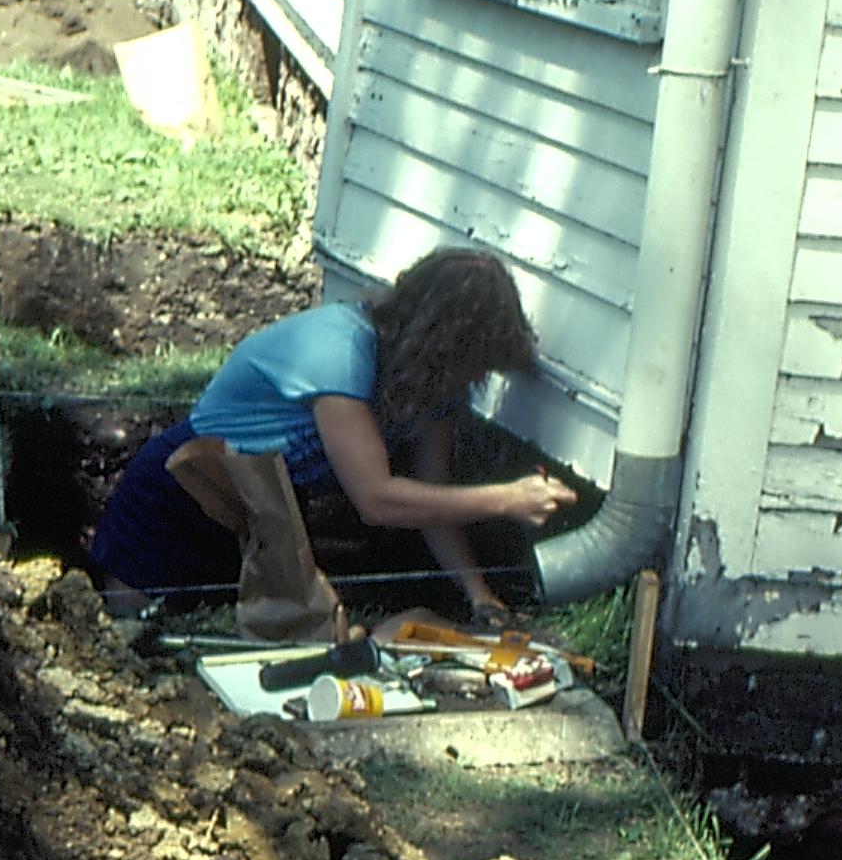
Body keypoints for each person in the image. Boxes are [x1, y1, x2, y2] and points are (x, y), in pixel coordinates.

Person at [87, 247, 577, 622]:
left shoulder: (433, 386)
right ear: (437, 344)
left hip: (258, 518)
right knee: (136, 641)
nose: (468, 383)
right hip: (182, 499)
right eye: (466, 366)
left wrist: (481, 597)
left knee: (217, 645)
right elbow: (378, 499)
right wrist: (508, 499)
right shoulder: (338, 353)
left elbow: (431, 504)